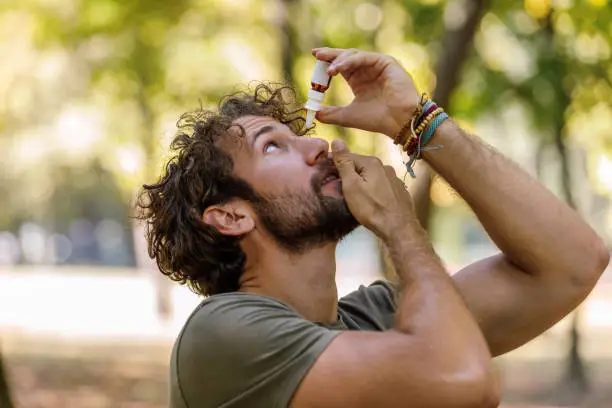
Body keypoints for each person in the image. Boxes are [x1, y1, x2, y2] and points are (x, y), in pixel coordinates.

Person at [135, 47, 609, 408]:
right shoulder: (224, 334)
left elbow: (573, 262)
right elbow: (465, 382)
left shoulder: (375, 319)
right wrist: (400, 228)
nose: (318, 147)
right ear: (232, 215)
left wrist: (415, 121)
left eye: (300, 136)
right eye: (274, 147)